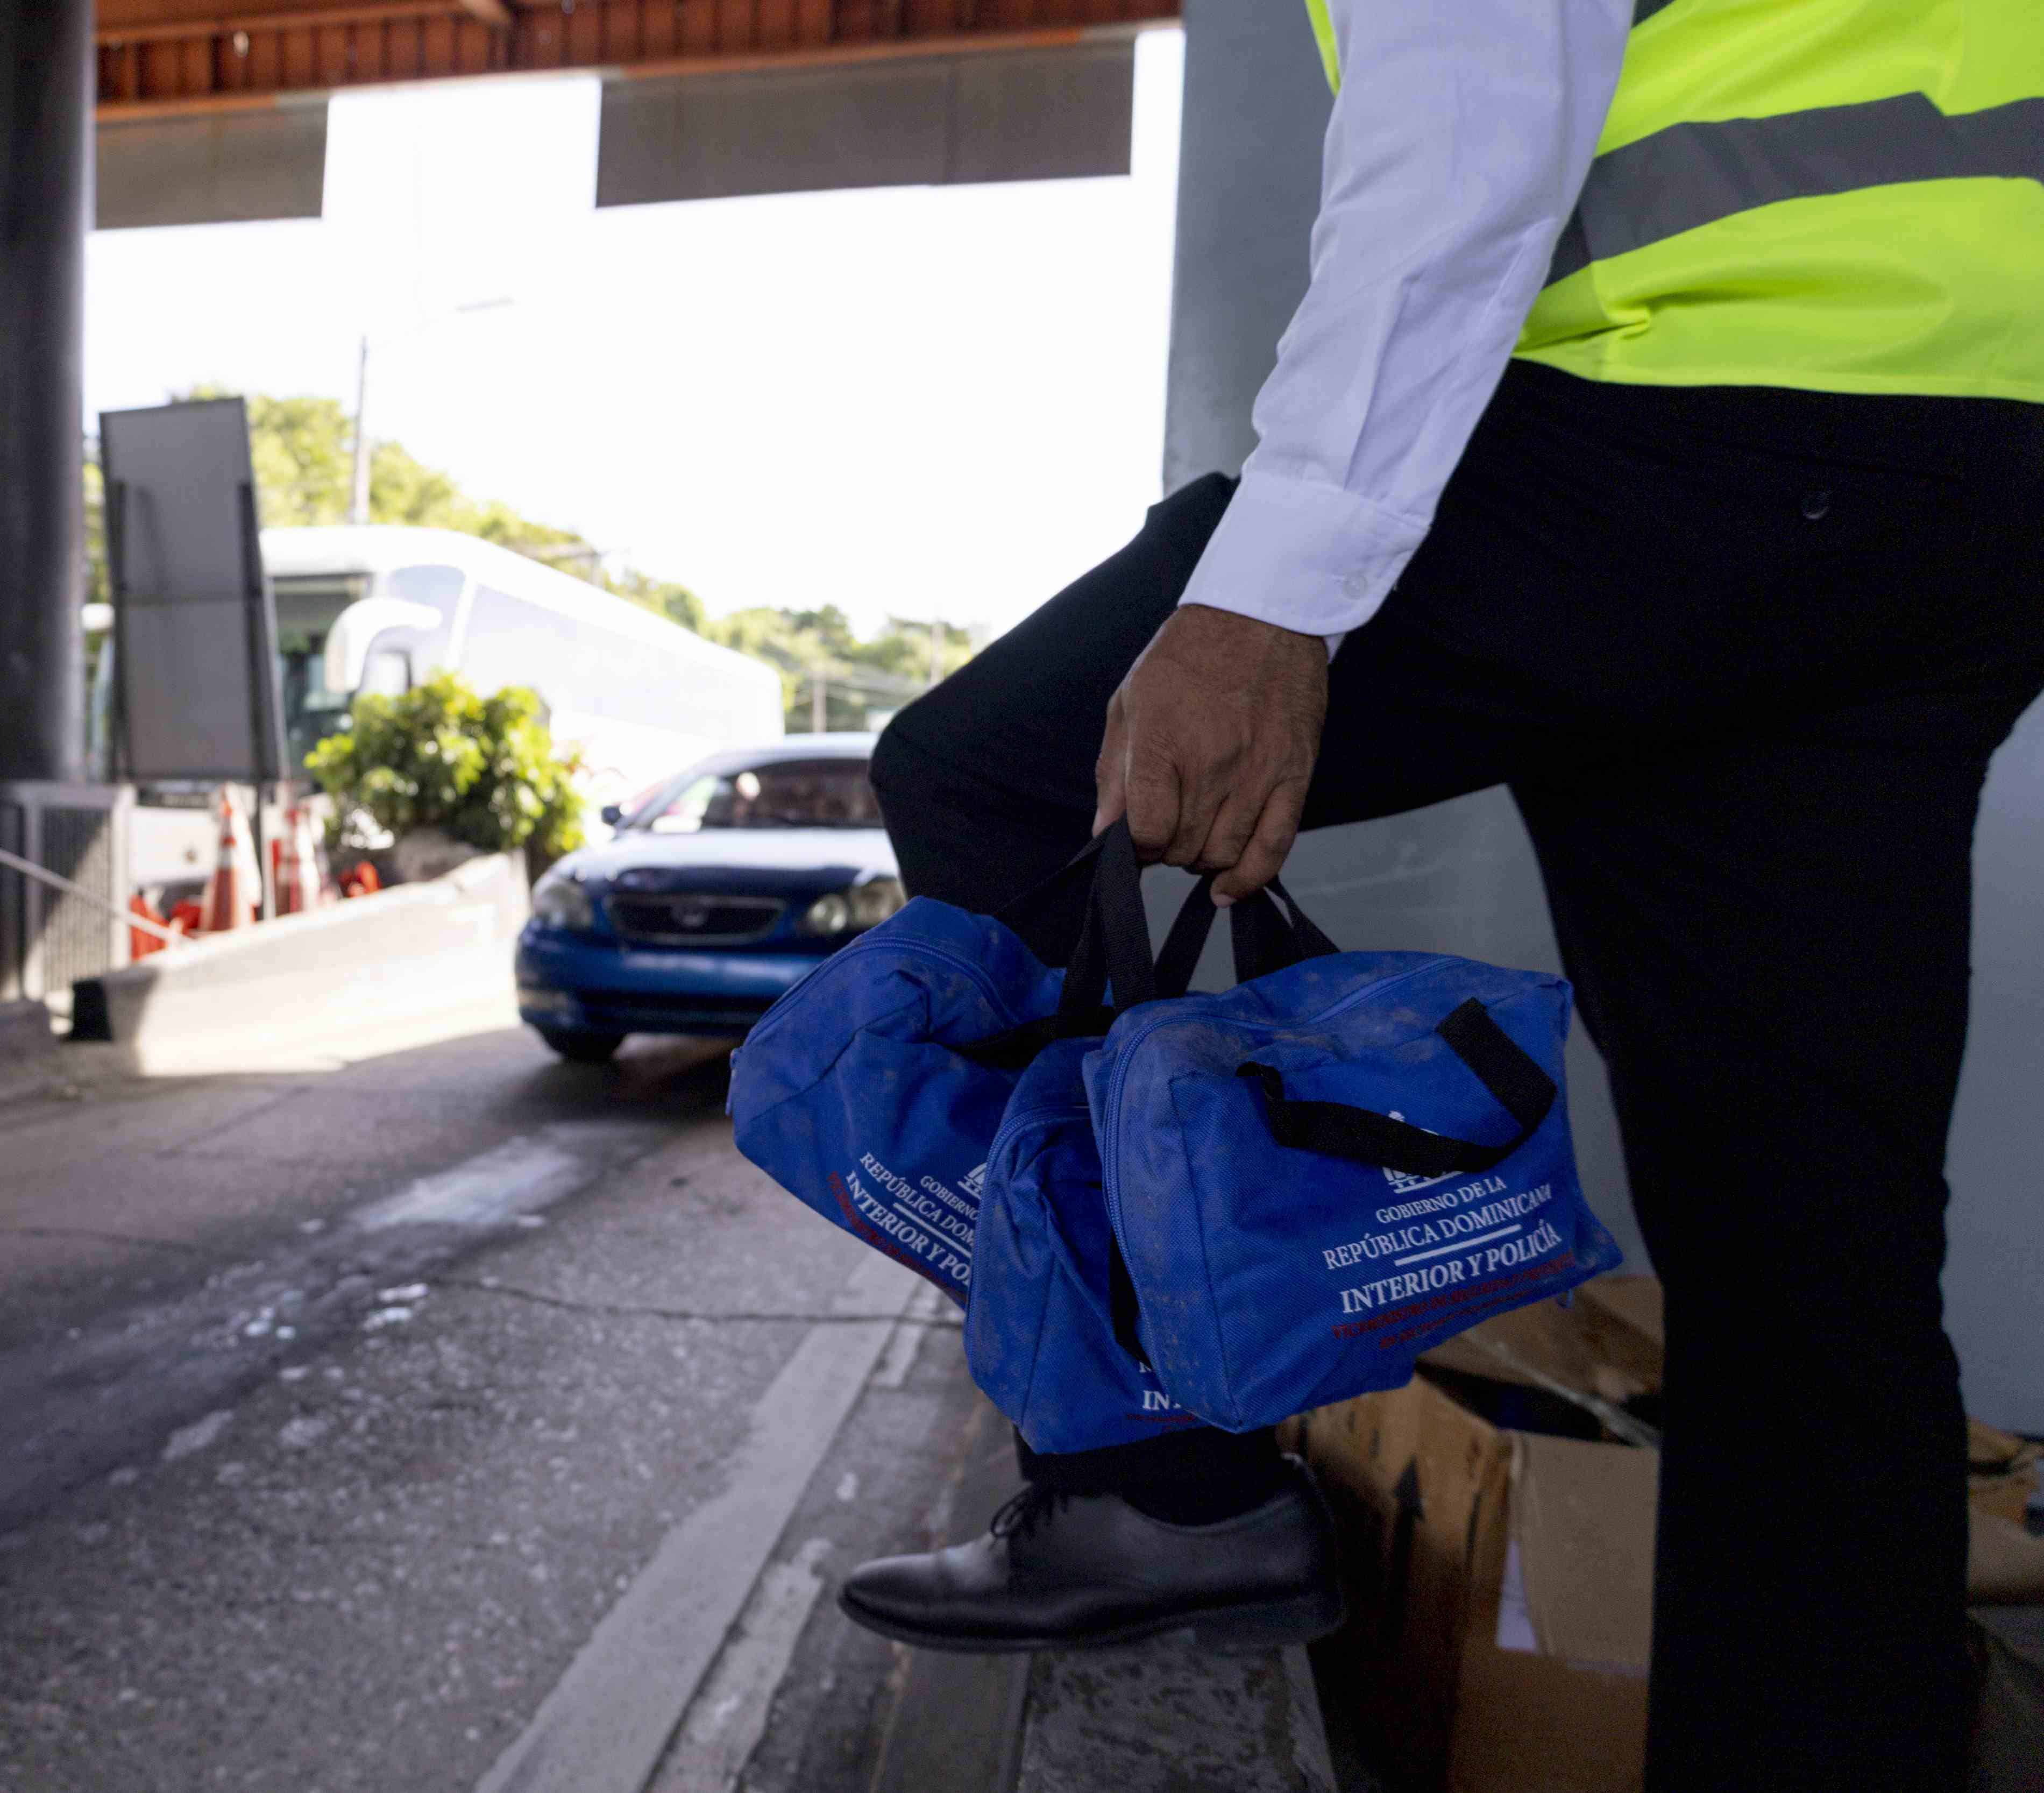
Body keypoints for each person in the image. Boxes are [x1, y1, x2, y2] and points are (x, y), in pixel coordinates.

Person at [838, 1, 2044, 1788]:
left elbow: (1480, 87)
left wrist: (1281, 587)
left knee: (1002, 775)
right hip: (1970, 461)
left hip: (1676, 411)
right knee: (1809, 1259)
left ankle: (1165, 1486)